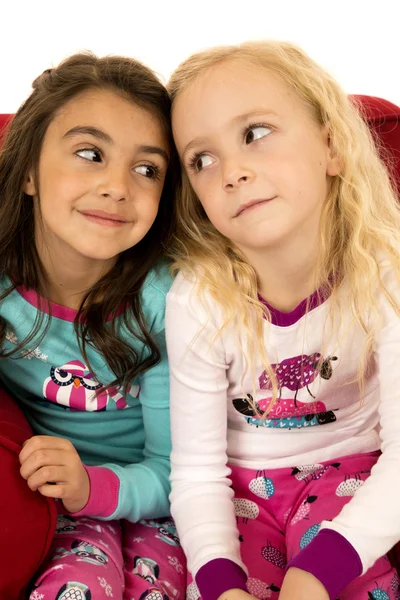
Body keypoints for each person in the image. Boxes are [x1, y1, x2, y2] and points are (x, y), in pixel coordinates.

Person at [165, 41, 400, 600]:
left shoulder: (385, 271)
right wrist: (221, 583)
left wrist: (318, 572)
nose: (232, 172)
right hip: (237, 495)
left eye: (255, 133)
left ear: (332, 146)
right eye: (202, 159)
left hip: (357, 476)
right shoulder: (197, 299)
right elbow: (197, 472)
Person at [0, 52, 185, 600]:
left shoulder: (165, 301)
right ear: (29, 169)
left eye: (146, 168)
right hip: (51, 503)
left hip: (158, 503)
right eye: (89, 153)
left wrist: (91, 488)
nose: (118, 186)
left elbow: (177, 471)